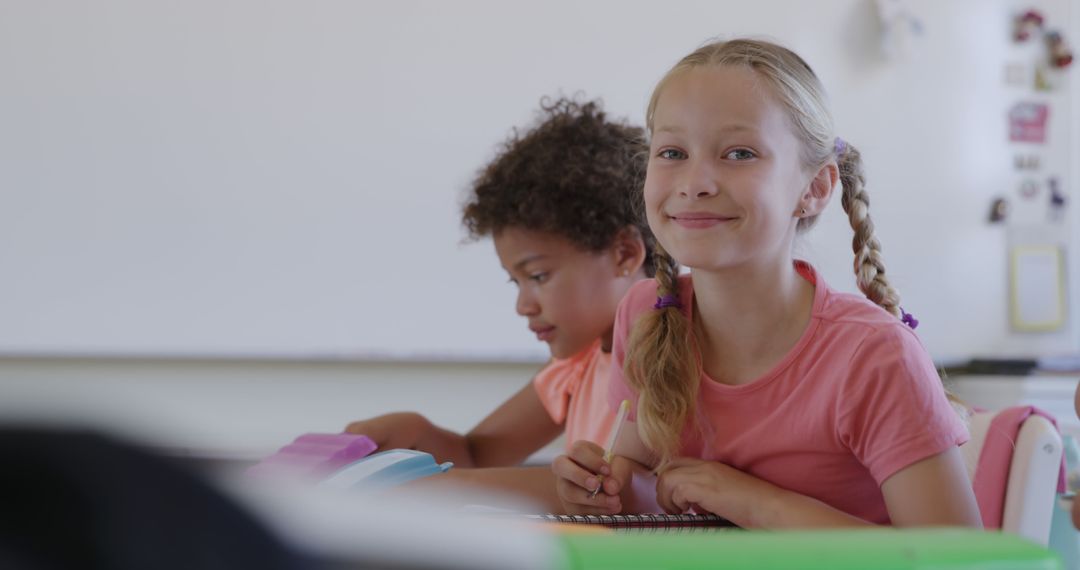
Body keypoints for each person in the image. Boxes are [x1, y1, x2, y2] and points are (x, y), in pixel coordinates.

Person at [552, 38, 982, 528]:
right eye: (672, 151)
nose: (695, 183)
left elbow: (958, 558)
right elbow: (648, 488)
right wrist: (605, 489)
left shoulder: (875, 355)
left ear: (815, 189)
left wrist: (751, 500)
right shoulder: (646, 314)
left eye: (739, 153)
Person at [345, 97, 654, 509]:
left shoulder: (666, 352)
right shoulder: (575, 367)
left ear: (624, 253)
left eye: (538, 276)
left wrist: (435, 489)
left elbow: (630, 491)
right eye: (516, 282)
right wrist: (415, 432)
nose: (523, 305)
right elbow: (478, 455)